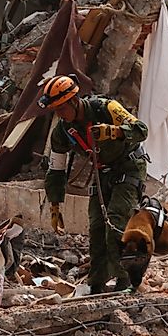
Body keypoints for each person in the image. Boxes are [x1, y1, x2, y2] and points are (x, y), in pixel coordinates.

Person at [39, 74, 148, 294]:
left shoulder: (107, 108)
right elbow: (56, 169)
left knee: (115, 223)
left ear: (73, 101)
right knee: (97, 227)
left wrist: (115, 132)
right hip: (102, 173)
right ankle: (97, 282)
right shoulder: (63, 132)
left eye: (61, 108)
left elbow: (141, 130)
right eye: (55, 110)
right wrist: (55, 204)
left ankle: (125, 281)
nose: (59, 114)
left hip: (128, 167)